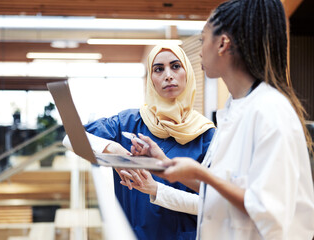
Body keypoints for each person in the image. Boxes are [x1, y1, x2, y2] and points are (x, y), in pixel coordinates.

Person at [129, 0, 314, 239]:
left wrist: (201, 173)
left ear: (223, 44)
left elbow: (270, 210)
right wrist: (165, 163)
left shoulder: (271, 111)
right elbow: (216, 193)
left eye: (203, 39)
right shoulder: (234, 109)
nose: (200, 49)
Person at [64, 44, 215, 239]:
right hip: (134, 233)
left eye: (176, 66)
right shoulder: (128, 122)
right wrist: (114, 149)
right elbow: (71, 138)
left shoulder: (205, 134)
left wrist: (157, 190)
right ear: (150, 79)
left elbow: (212, 202)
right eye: (158, 69)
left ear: (187, 72)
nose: (168, 75)